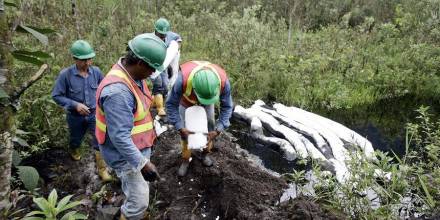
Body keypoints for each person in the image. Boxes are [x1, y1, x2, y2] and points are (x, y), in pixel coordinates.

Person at [95, 34, 166, 220]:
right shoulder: (118, 92)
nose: (152, 74)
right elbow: (119, 137)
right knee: (139, 201)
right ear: (141, 63)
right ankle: (132, 214)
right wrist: (142, 164)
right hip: (125, 155)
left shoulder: (133, 75)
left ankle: (138, 213)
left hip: (138, 147)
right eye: (152, 69)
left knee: (140, 192)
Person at [52, 40, 111, 182]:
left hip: (94, 114)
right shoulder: (65, 75)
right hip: (75, 117)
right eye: (83, 60)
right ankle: (74, 149)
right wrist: (75, 105)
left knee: (99, 139)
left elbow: (105, 89)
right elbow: (56, 96)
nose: (87, 63)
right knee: (75, 139)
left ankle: (102, 170)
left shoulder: (96, 72)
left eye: (89, 59)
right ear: (75, 59)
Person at [166, 60, 233, 177]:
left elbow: (227, 106)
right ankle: (186, 159)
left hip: (208, 104)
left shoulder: (223, 82)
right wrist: (180, 127)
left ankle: (205, 154)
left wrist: (218, 129)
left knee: (210, 128)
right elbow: (171, 104)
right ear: (195, 88)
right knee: (185, 133)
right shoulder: (182, 80)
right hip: (185, 102)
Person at [151, 17, 182, 117]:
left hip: (163, 65)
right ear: (155, 31)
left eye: (163, 35)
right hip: (152, 64)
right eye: (160, 34)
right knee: (158, 84)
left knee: (165, 85)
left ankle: (155, 103)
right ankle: (160, 108)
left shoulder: (172, 37)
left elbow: (178, 42)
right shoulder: (150, 38)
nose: (162, 36)